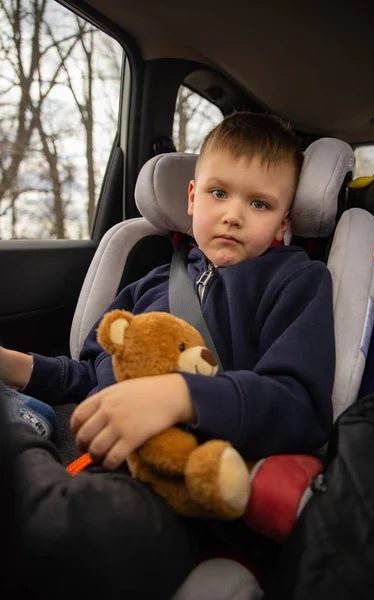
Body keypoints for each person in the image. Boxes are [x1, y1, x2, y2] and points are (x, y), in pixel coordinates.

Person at [0, 112, 335, 599]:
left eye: (259, 203)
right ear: (194, 197)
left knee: (67, 529)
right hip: (92, 454)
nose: (233, 214)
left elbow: (299, 402)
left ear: (284, 222)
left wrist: (182, 395)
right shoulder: (150, 283)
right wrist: (13, 364)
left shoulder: (296, 281)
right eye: (219, 194)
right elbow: (88, 373)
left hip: (179, 491)